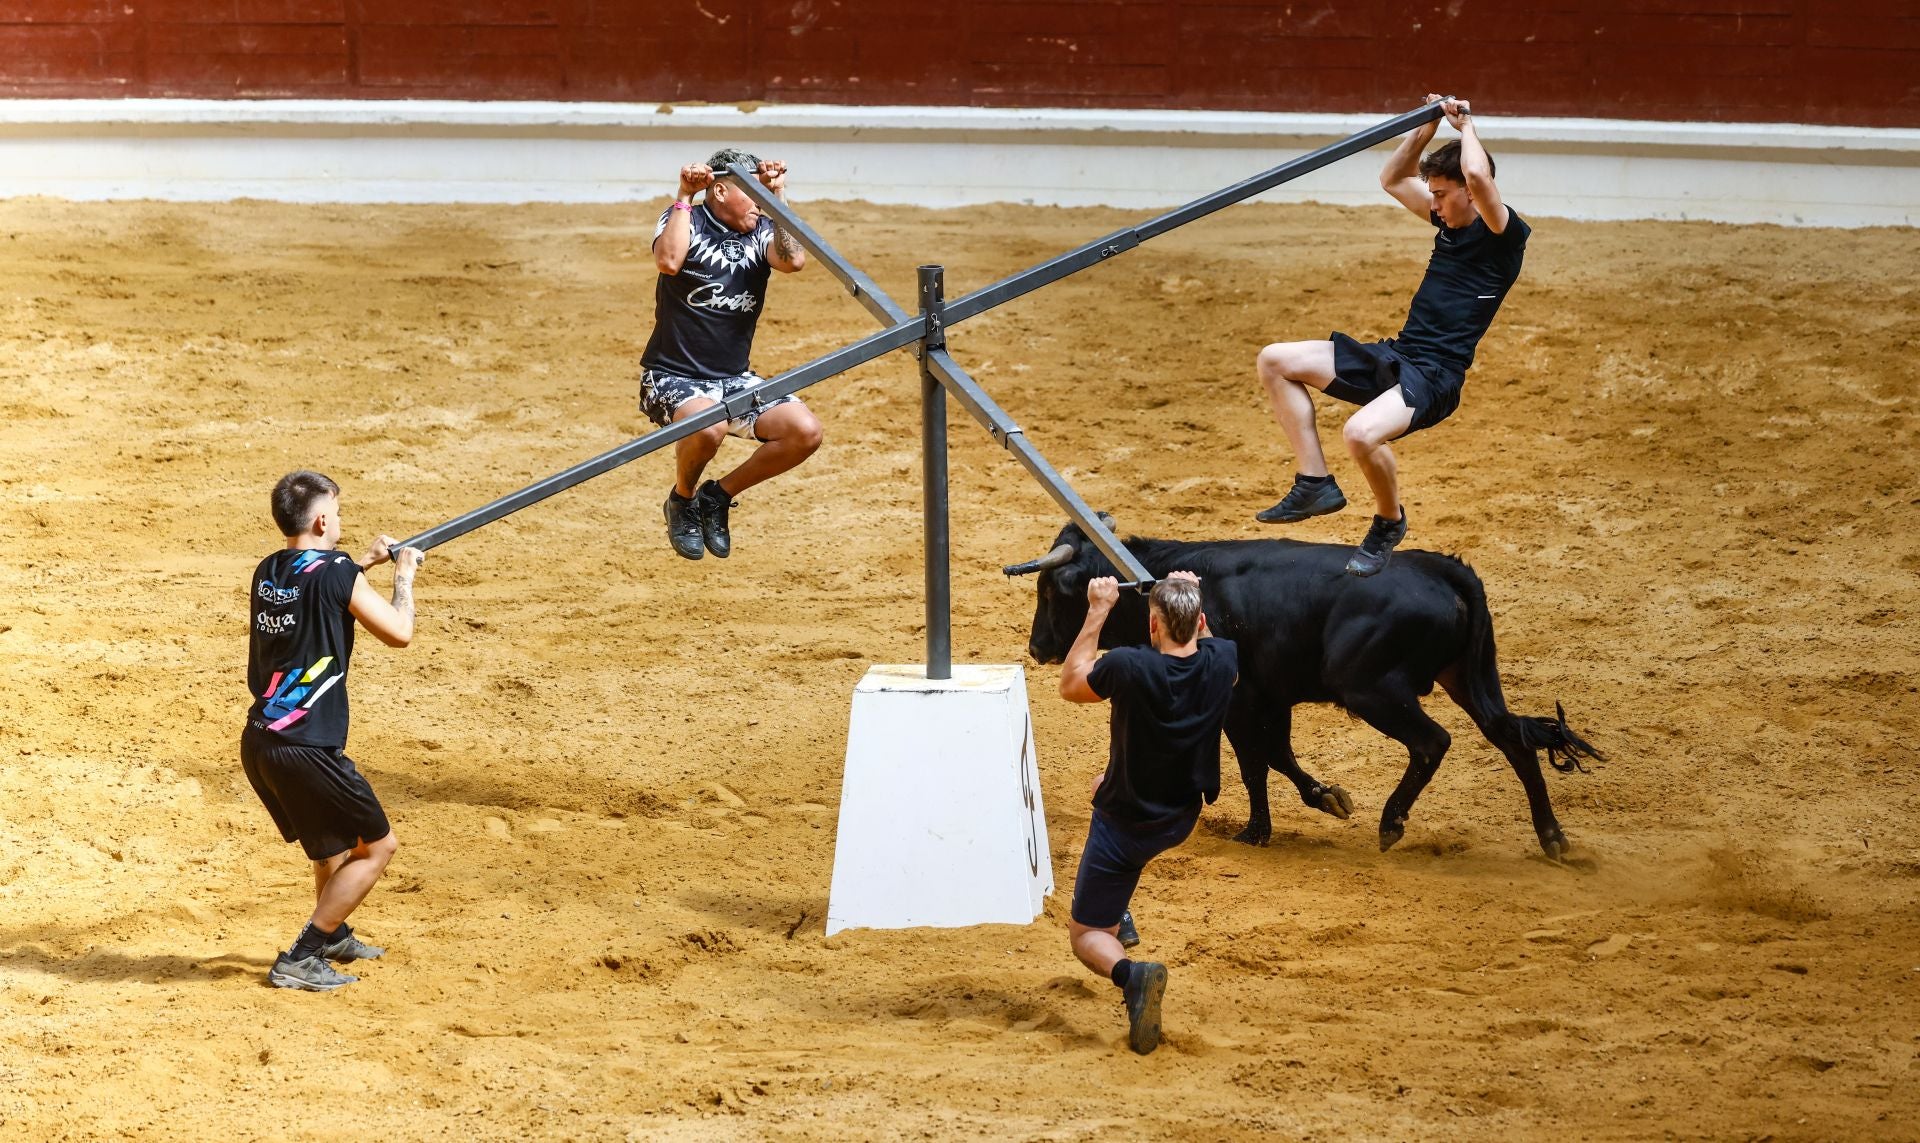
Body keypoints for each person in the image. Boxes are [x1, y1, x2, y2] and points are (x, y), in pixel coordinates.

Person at [1254, 94, 1531, 576]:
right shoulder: (1447, 218)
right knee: (1275, 359)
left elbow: (1482, 176)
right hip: (1399, 355)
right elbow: (1391, 179)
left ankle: (1388, 521)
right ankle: (1314, 481)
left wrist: (1465, 126)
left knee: (1360, 434)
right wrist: (1424, 129)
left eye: (1443, 194)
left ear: (1468, 190)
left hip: (1435, 376)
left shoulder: (1501, 233)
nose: (1435, 204)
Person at [243, 470, 422, 991]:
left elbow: (317, 588)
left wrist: (360, 565)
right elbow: (400, 633)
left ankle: (334, 931)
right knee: (379, 846)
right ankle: (302, 955)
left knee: (330, 847)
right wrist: (404, 576)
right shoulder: (338, 571)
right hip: (307, 747)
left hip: (261, 740)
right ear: (322, 520)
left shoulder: (269, 569)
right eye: (337, 513)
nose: (340, 521)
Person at [1058, 571, 1238, 1055]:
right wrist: (1192, 594)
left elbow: (1071, 684)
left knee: (1088, 934)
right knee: (1104, 780)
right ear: (1200, 621)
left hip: (1126, 823)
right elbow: (1208, 643)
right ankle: (1120, 909)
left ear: (1152, 627)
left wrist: (1098, 609)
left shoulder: (1129, 665)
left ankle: (1131, 975)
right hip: (1179, 817)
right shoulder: (1224, 661)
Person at [642, 147, 821, 561]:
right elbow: (668, 262)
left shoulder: (762, 230)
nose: (759, 205)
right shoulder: (683, 217)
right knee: (709, 427)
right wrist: (685, 194)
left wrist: (778, 196)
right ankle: (682, 500)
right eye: (751, 195)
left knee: (805, 432)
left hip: (734, 379)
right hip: (672, 375)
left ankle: (716, 497)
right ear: (720, 191)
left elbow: (794, 260)